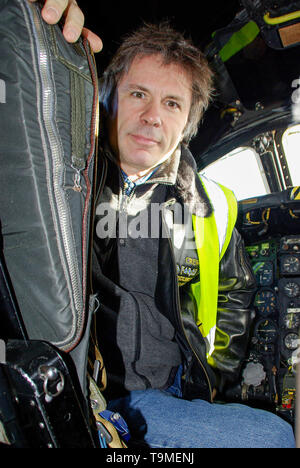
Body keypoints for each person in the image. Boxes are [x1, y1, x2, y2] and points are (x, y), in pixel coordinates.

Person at [30, 0, 296, 448]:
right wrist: (30, 37)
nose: (153, 115)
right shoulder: (63, 178)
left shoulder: (212, 206)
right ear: (107, 98)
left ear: (188, 121)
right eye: (138, 94)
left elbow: (236, 292)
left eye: (172, 102)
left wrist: (213, 379)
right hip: (80, 389)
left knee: (271, 437)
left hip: (163, 396)